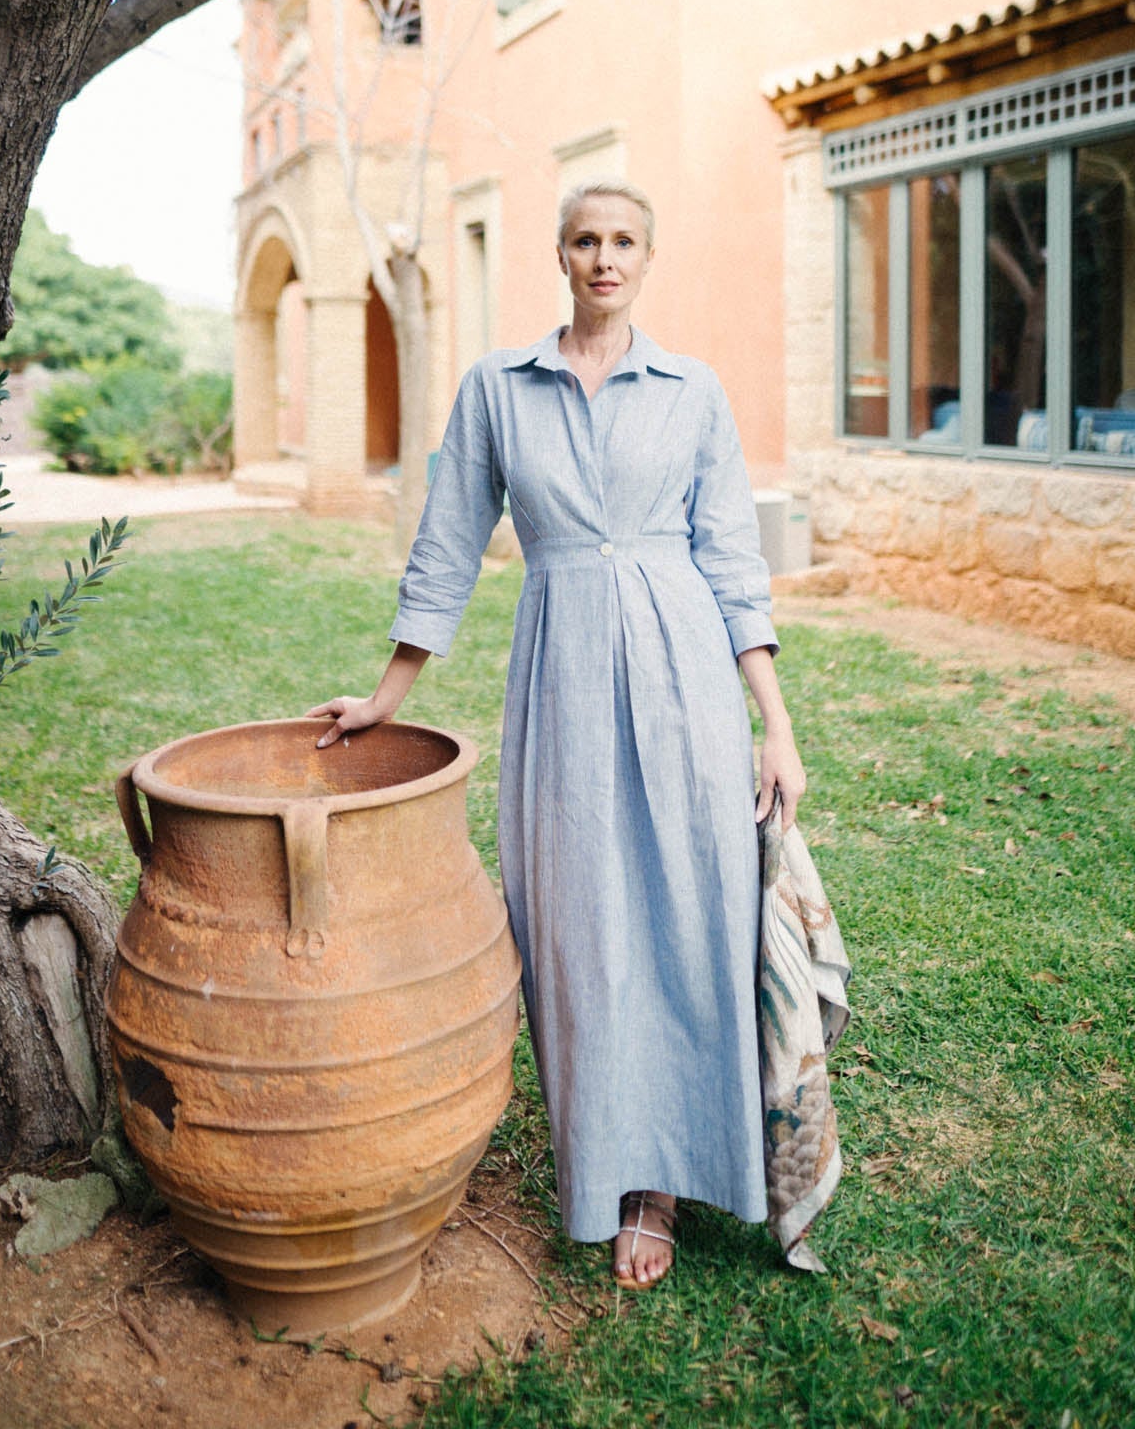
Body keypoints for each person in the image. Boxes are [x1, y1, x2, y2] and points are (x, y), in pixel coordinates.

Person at [312, 179, 807, 1289]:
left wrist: (772, 725)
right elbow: (446, 541)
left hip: (684, 675)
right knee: (577, 919)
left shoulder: (693, 391)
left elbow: (732, 561)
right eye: (585, 238)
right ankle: (601, 1162)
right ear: (558, 254)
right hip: (561, 676)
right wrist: (390, 691)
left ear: (646, 254)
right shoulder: (498, 388)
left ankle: (659, 1185)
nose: (603, 256)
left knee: (684, 909)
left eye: (623, 238)